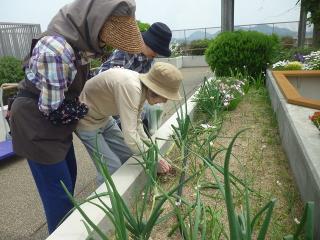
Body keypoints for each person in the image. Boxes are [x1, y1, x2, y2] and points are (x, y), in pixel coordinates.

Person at [10, 0, 144, 234]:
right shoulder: (56, 49)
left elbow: (71, 95)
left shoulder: (80, 44)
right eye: (106, 37)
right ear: (94, 23)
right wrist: (86, 110)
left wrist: (85, 107)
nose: (105, 44)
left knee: (69, 181)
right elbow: (51, 108)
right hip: (37, 124)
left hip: (57, 123)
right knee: (59, 197)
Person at [76, 62, 182, 184]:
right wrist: (154, 159)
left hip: (104, 118)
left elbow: (137, 123)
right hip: (86, 121)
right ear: (155, 90)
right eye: (165, 96)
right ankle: (112, 201)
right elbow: (130, 136)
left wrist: (152, 151)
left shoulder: (142, 89)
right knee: (111, 167)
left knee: (128, 154)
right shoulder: (131, 87)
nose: (165, 100)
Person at [98, 22, 172, 135]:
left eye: (159, 51)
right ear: (145, 42)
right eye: (155, 49)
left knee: (145, 136)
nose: (157, 54)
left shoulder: (148, 58)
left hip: (133, 110)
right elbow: (104, 85)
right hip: (112, 112)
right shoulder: (123, 55)